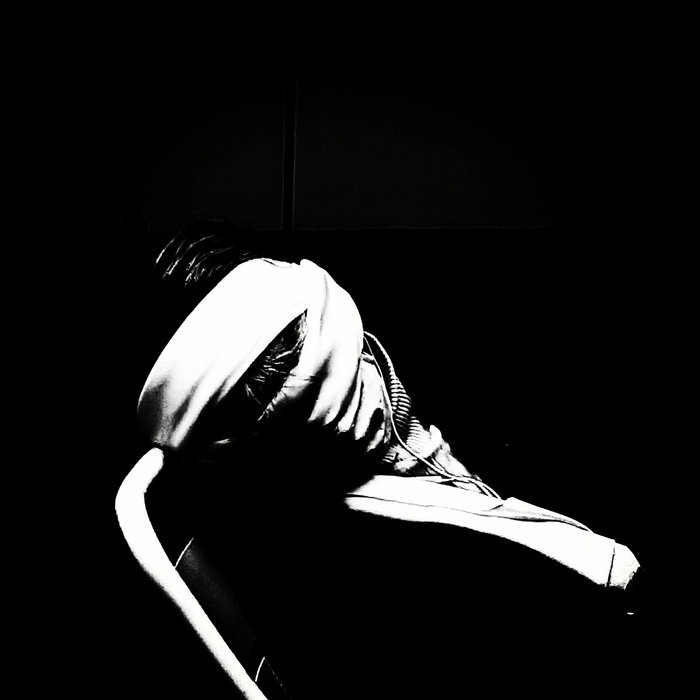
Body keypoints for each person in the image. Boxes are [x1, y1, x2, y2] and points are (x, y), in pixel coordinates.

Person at [132, 223, 651, 698]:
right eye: (321, 400)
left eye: (358, 356)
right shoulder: (407, 588)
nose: (367, 383)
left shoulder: (460, 390)